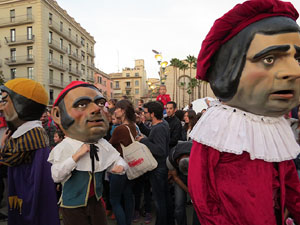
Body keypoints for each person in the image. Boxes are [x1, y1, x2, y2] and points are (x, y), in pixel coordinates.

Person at [188, 1, 300, 224]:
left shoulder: (276, 126)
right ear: (229, 69)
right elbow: (202, 194)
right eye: (269, 59)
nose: (294, 72)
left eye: (297, 58)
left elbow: (291, 186)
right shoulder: (218, 126)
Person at [48, 81, 127, 225]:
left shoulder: (101, 144)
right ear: (58, 115)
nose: (97, 108)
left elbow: (117, 159)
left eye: (100, 103)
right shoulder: (64, 147)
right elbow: (56, 175)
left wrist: (120, 167)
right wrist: (76, 156)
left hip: (96, 203)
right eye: (82, 104)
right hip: (73, 206)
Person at [0, 78, 60, 225]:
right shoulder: (30, 131)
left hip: (29, 199)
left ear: (22, 105)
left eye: (5, 101)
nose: (1, 107)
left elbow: (7, 159)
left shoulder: (32, 133)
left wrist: (2, 145)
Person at [136, 101, 173, 225]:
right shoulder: (161, 125)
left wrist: (144, 141)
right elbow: (152, 136)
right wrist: (141, 125)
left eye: (146, 112)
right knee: (164, 199)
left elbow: (160, 150)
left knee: (160, 201)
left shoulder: (159, 128)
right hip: (160, 168)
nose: (144, 114)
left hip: (158, 169)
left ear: (152, 114)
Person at [109, 99, 136, 225]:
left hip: (119, 167)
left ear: (123, 111)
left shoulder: (120, 129)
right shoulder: (133, 126)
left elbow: (109, 147)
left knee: (115, 200)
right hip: (130, 166)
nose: (115, 111)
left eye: (117, 109)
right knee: (128, 196)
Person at [167, 141, 200, 225]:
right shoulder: (170, 160)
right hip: (179, 177)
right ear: (177, 161)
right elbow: (176, 178)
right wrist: (190, 192)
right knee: (179, 206)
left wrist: (195, 195)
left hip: (196, 175)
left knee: (198, 204)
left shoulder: (199, 157)